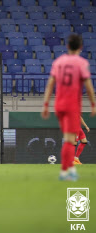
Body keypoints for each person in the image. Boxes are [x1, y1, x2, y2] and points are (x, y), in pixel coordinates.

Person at [42, 34, 96, 181]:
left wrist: (46, 104)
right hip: (72, 104)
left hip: (59, 104)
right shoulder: (82, 63)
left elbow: (50, 84)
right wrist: (93, 104)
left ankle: (69, 169)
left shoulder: (59, 62)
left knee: (68, 138)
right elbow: (89, 87)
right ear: (81, 47)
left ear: (67, 46)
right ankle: (66, 171)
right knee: (70, 140)